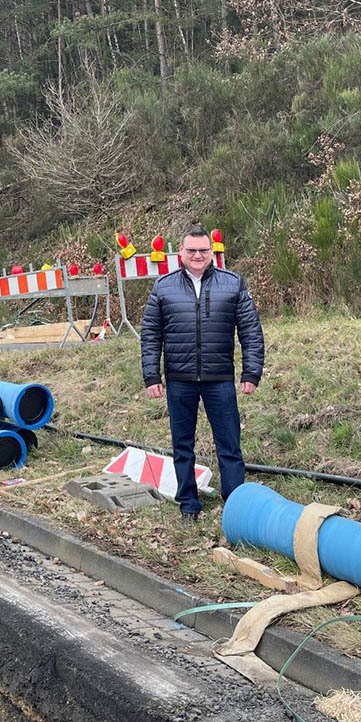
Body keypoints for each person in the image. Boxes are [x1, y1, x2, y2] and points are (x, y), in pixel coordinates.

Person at [140, 224, 264, 522]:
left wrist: (251, 371)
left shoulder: (232, 283)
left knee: (230, 444)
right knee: (182, 445)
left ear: (213, 252)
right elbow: (150, 334)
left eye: (203, 250)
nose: (198, 255)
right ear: (180, 252)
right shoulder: (163, 286)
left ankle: (235, 506)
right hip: (179, 381)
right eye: (192, 250)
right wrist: (151, 375)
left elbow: (251, 331)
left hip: (219, 379)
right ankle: (189, 504)